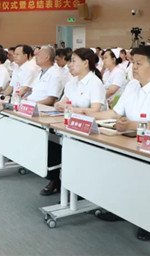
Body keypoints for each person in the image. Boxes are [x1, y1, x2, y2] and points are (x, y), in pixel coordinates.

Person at [85, 45, 150, 239]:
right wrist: (88, 115)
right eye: (133, 62)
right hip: (131, 139)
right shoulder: (132, 85)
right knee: (109, 159)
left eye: (139, 63)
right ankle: (121, 208)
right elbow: (115, 113)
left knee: (141, 171)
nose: (134, 67)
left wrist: (132, 125)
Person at [44, 48, 105, 197]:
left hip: (91, 129)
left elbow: (95, 110)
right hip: (71, 124)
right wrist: (59, 105)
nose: (69, 65)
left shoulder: (95, 83)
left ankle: (77, 186)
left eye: (73, 61)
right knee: (49, 137)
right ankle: (55, 178)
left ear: (85, 63)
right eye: (70, 61)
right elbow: (62, 102)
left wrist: (73, 109)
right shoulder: (72, 83)